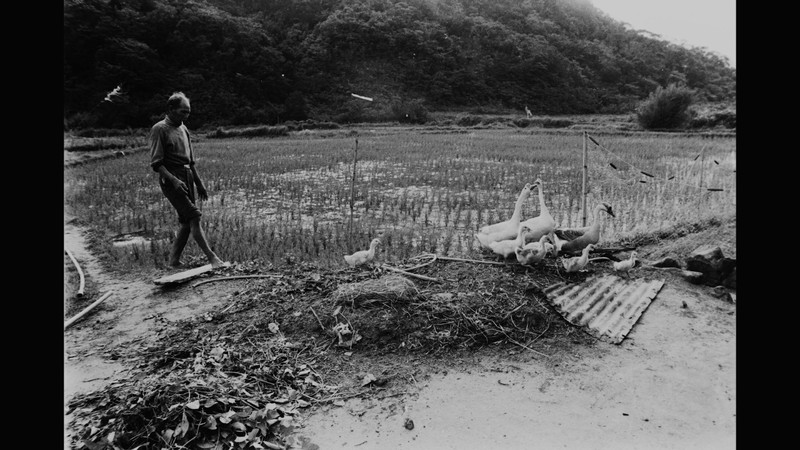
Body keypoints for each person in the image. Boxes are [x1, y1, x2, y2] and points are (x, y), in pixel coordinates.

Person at [149, 91, 227, 269]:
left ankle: (173, 261)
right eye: (183, 112)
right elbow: (156, 164)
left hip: (187, 176)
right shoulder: (159, 129)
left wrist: (199, 184)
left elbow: (190, 162)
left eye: (188, 112)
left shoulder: (183, 129)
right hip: (171, 178)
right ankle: (212, 258)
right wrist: (174, 181)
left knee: (186, 221)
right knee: (194, 216)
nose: (186, 115)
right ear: (171, 109)